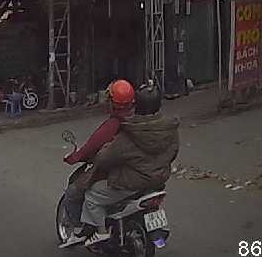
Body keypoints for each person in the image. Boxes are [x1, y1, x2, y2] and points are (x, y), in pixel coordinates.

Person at [61, 82, 179, 248]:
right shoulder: (169, 128)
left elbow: (103, 157)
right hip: (158, 178)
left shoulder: (129, 131)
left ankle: (100, 231)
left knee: (91, 195)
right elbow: (173, 152)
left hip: (132, 181)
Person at [59, 79, 135, 227]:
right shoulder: (140, 121)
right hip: (140, 172)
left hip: (119, 175)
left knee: (73, 192)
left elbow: (92, 147)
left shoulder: (113, 125)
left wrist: (75, 157)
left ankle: (81, 228)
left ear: (112, 102)